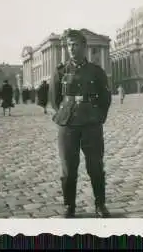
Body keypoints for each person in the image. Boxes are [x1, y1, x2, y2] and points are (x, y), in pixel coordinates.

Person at [50, 29, 112, 219]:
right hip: (68, 125)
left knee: (95, 166)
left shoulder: (96, 71)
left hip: (91, 124)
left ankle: (100, 204)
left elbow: (105, 98)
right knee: (68, 168)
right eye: (69, 45)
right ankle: (69, 206)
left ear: (85, 47)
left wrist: (98, 117)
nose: (72, 49)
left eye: (76, 45)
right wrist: (65, 113)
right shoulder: (60, 71)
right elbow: (54, 100)